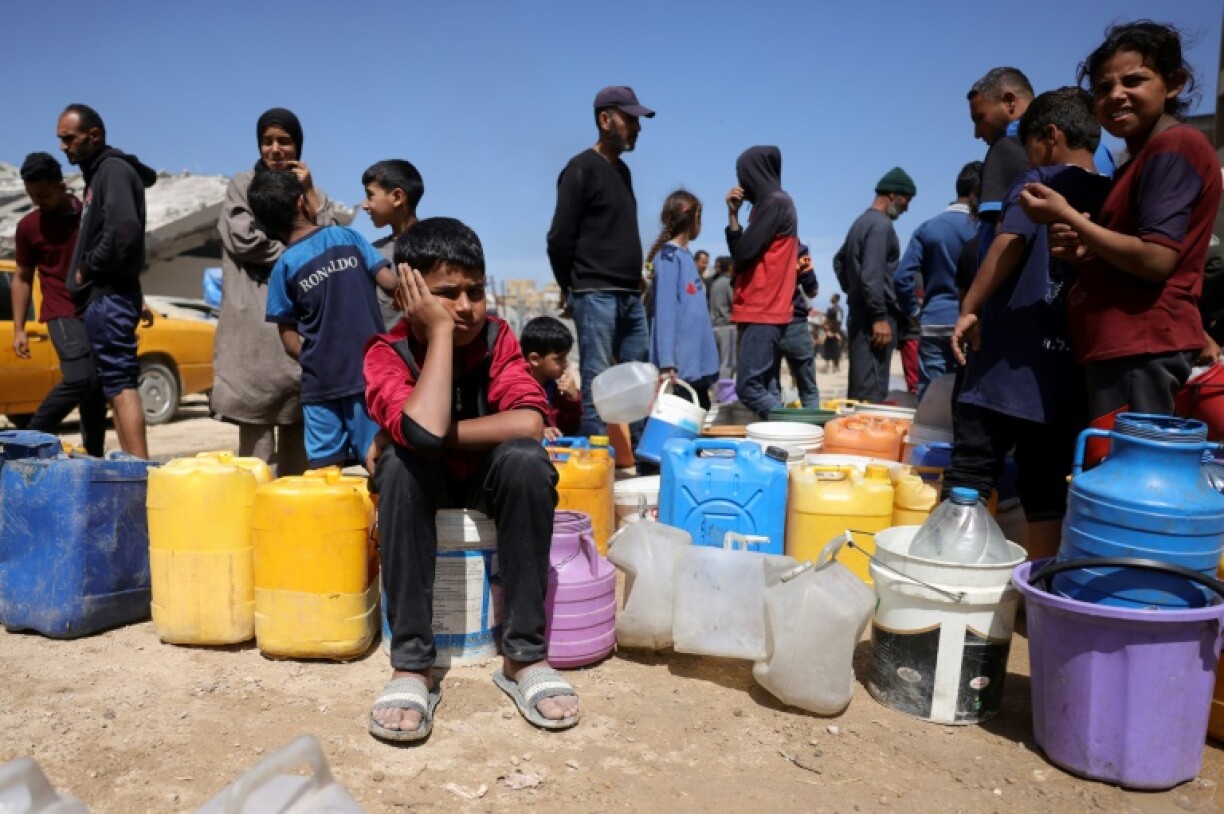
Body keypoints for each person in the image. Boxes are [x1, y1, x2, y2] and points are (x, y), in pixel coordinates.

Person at [364, 217, 578, 742]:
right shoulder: (384, 354)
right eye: (446, 295)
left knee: (526, 460)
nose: (465, 306)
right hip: (424, 487)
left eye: (475, 291)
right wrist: (436, 335)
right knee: (399, 465)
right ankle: (413, 665)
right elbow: (420, 436)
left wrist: (427, 435)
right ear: (409, 296)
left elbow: (528, 420)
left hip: (485, 480)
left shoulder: (498, 337)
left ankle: (523, 656)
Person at [1020, 21, 1222, 431]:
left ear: (1174, 84)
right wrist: (1084, 254)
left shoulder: (1174, 145)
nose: (1116, 96)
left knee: (1125, 478)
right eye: (1103, 88)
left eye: (1134, 81)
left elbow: (1156, 259)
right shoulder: (1140, 159)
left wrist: (1067, 215)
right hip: (1124, 345)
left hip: (1141, 346)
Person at [949, 87, 1114, 561]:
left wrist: (971, 308)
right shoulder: (1112, 194)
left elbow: (1009, 243)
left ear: (1050, 136)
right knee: (1046, 493)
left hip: (1005, 367)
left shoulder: (1038, 180)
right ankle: (1038, 596)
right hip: (1064, 380)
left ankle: (953, 584)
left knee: (971, 474)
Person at [212, 108, 337, 475]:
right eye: (268, 141)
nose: (276, 149)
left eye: (284, 141)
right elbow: (242, 238)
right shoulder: (242, 184)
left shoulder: (314, 193)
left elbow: (330, 241)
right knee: (256, 451)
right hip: (253, 323)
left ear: (298, 145)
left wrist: (309, 190)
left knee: (301, 441)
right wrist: (298, 254)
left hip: (298, 327)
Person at [249, 170, 397, 469]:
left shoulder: (283, 268)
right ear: (303, 203)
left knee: (324, 474)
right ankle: (382, 517)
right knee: (379, 463)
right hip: (368, 377)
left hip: (318, 386)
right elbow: (390, 283)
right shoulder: (346, 237)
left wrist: (313, 357)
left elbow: (287, 335)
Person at [547, 86, 655, 437]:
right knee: (598, 382)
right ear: (605, 119)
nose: (637, 128)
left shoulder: (622, 172)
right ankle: (598, 460)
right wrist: (570, 286)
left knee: (638, 382)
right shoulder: (580, 169)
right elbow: (559, 238)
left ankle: (638, 459)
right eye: (631, 120)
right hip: (595, 293)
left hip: (628, 295)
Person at [58, 103, 156, 459]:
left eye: (69, 138)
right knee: (115, 386)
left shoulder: (112, 170)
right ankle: (135, 472)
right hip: (108, 295)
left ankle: (140, 474)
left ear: (94, 135)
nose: (63, 146)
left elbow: (125, 231)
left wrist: (87, 267)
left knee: (120, 384)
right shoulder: (99, 174)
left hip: (109, 295)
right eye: (60, 139)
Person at [968, 67, 1116, 267]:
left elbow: (1005, 238)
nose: (977, 133)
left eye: (980, 118)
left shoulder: (1007, 145)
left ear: (1010, 101)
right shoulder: (1099, 148)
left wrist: (976, 298)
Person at [10, 152, 106, 456]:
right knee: (81, 378)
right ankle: (27, 439)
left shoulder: (87, 214)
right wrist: (18, 329)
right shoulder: (28, 227)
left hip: (94, 307)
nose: (39, 201)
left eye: (45, 194)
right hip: (59, 310)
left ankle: (94, 456)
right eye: (32, 195)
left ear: (61, 185)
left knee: (97, 389)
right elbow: (23, 278)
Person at [895, 161, 981, 396]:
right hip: (971, 323)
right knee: (967, 395)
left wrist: (914, 312)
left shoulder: (928, 228)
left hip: (933, 321)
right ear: (977, 189)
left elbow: (902, 278)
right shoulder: (982, 228)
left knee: (931, 398)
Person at [725, 146, 799, 419]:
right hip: (763, 309)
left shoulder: (775, 203)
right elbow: (742, 253)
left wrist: (734, 221)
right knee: (767, 386)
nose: (741, 181)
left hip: (763, 307)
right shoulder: (765, 207)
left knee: (749, 387)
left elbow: (742, 253)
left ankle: (791, 425)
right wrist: (734, 215)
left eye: (742, 173)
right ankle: (779, 443)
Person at [834, 167, 916, 403]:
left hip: (862, 313)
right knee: (871, 391)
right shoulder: (881, 226)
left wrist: (854, 292)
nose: (907, 207)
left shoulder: (860, 222)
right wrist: (879, 315)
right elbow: (872, 274)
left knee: (861, 385)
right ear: (892, 195)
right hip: (875, 320)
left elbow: (839, 262)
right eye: (906, 200)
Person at [646, 190, 719, 409]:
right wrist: (667, 362)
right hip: (680, 370)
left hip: (697, 365)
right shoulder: (669, 258)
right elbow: (665, 311)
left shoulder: (686, 256)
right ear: (695, 219)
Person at [363, 159, 424, 330]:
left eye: (370, 195)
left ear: (397, 197)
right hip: (387, 353)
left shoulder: (437, 245)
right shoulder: (372, 252)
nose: (364, 205)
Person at [520, 315, 581, 440]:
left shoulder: (552, 387)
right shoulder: (518, 389)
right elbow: (514, 423)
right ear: (535, 359)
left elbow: (570, 426)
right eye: (560, 358)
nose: (566, 363)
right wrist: (539, 430)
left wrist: (572, 398)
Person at [778, 244, 820, 406]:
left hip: (764, 324)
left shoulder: (756, 242)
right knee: (808, 388)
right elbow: (812, 289)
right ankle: (814, 429)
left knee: (771, 387)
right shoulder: (797, 248)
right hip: (794, 322)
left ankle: (772, 428)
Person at [707, 255, 736, 379]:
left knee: (719, 362)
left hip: (715, 327)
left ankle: (719, 392)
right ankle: (725, 395)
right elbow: (734, 302)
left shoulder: (715, 283)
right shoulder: (728, 283)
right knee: (728, 363)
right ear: (730, 267)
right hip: (727, 327)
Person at [822, 293, 843, 373]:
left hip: (835, 331)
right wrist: (826, 330)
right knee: (827, 347)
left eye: (833, 297)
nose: (831, 298)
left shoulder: (838, 310)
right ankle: (827, 365)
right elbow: (827, 319)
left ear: (837, 299)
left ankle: (836, 366)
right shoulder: (830, 309)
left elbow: (838, 322)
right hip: (829, 331)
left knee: (835, 348)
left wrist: (836, 332)